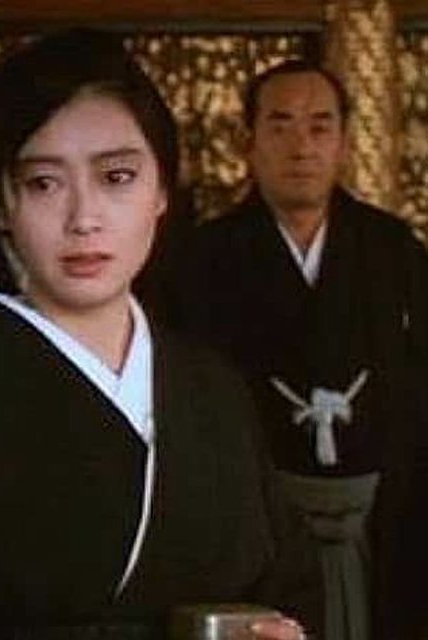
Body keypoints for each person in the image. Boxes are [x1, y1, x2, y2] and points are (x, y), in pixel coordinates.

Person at [0, 30, 317, 640]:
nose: (84, 218)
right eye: (44, 183)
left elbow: (287, 580)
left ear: (162, 191)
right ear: (1, 205)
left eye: (117, 177)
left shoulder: (211, 391)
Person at [148, 60, 428, 640]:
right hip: (255, 521)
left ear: (345, 141)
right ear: (247, 141)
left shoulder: (392, 250)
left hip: (387, 519)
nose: (302, 146)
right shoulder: (202, 260)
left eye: (320, 126)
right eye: (280, 125)